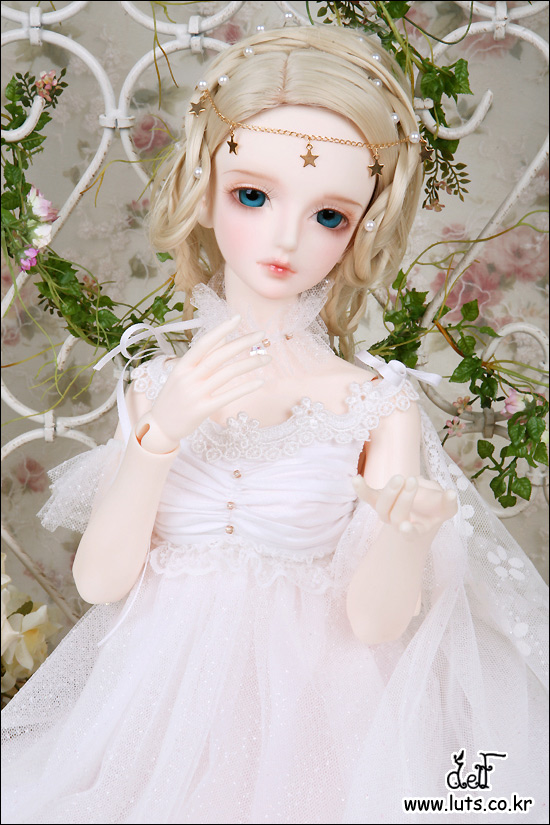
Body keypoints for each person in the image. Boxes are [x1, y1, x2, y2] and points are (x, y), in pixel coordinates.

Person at [1, 25, 547, 825]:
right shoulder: (157, 384)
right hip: (152, 723)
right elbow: (100, 582)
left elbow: (374, 623)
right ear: (205, 188)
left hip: (318, 728)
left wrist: (408, 530)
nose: (287, 237)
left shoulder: (374, 403)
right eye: (252, 195)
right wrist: (162, 433)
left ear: (362, 228)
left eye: (329, 214)